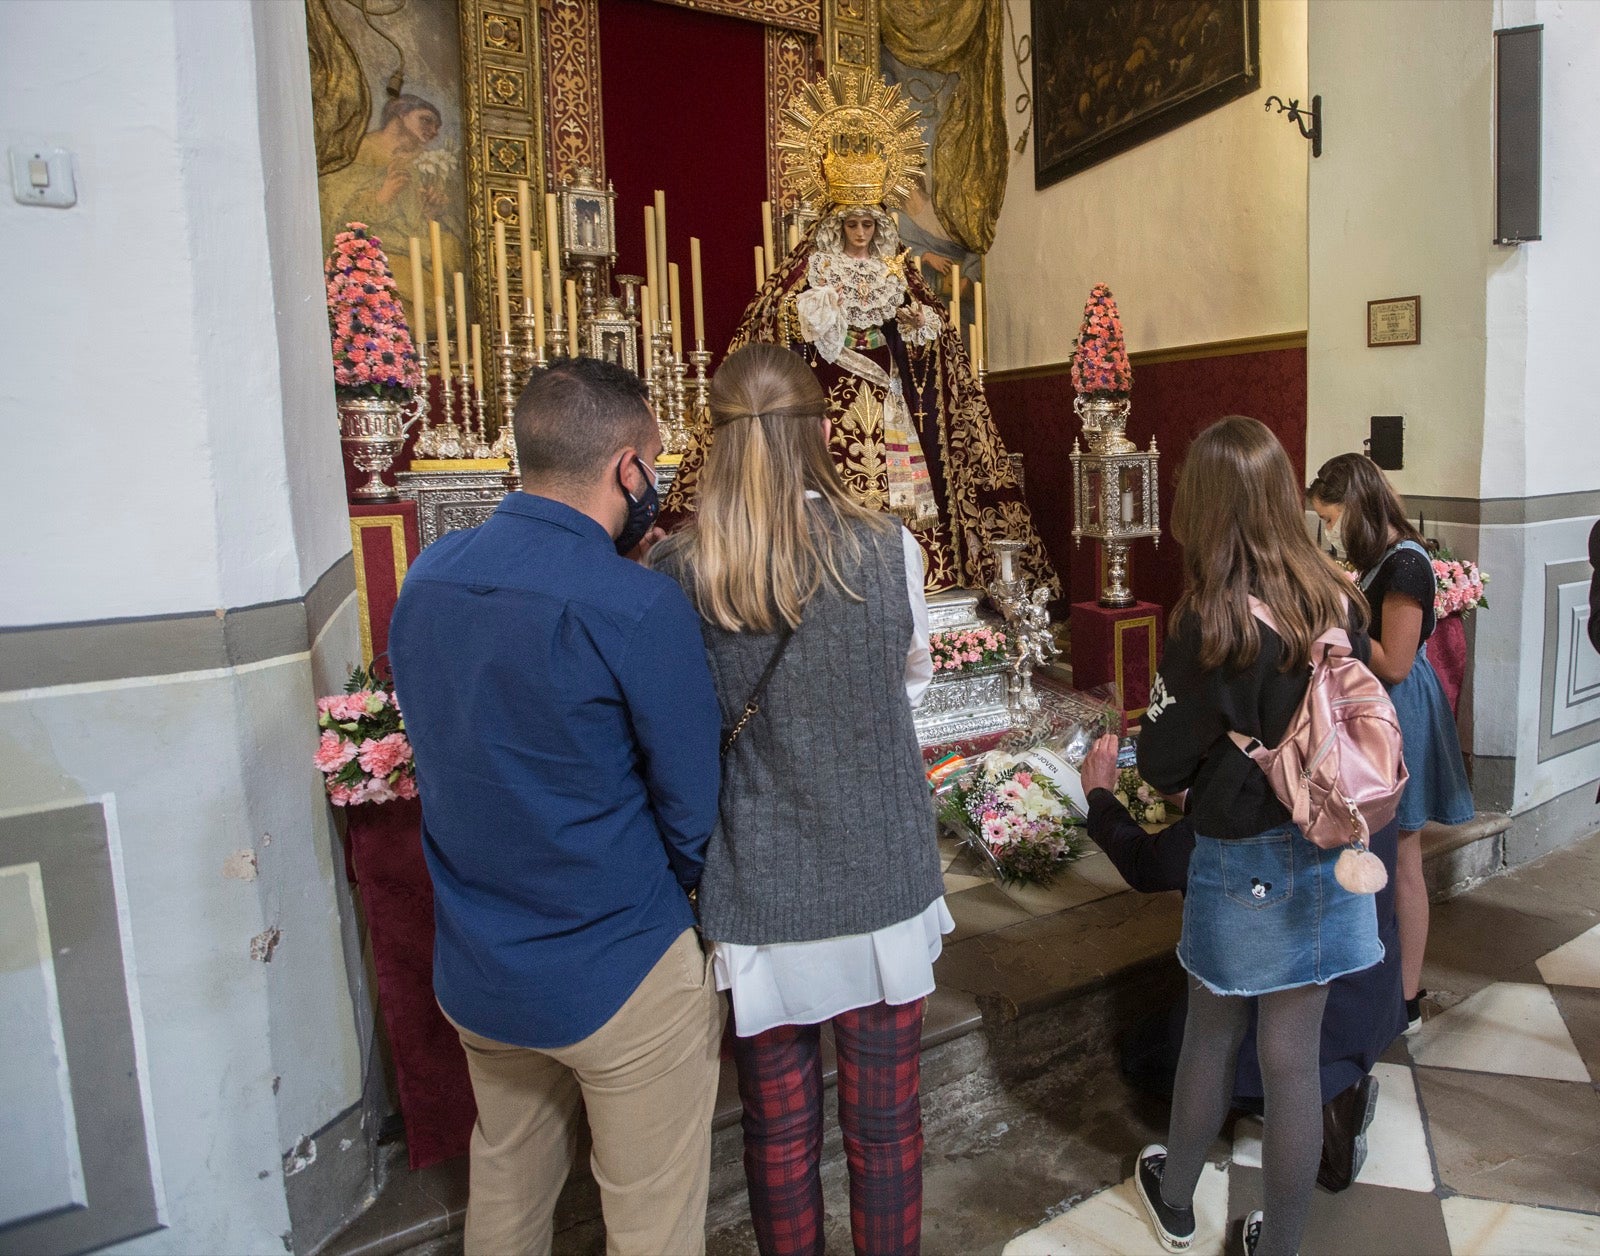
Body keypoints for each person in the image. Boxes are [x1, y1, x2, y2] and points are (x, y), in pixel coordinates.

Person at [387, 358, 725, 1256]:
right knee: (651, 1219)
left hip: (480, 961)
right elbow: (693, 807)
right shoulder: (634, 602)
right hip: (618, 962)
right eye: (654, 459)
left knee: (507, 1180)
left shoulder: (428, 577)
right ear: (627, 468)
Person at [651, 343, 949, 1256]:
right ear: (821, 431)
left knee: (779, 1139)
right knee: (887, 1129)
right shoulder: (887, 546)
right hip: (883, 879)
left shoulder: (680, 568)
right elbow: (913, 680)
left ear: (717, 442)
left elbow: (680, 728)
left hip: (762, 885)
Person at [1133, 417, 1384, 1256]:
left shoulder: (1212, 620)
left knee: (1213, 1029)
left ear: (1203, 508)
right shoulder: (1337, 593)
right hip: (1331, 844)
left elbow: (1161, 760)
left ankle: (1175, 1202)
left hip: (1242, 858)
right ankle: (1278, 1244)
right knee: (1292, 1057)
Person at [663, 69, 1056, 599]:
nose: (862, 234)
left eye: (869, 225)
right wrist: (812, 314)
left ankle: (919, 573)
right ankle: (826, 570)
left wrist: (921, 327)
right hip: (832, 406)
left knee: (905, 486)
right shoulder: (810, 270)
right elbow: (776, 325)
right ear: (837, 222)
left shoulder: (897, 271)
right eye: (852, 225)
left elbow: (928, 333)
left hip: (892, 401)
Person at [1078, 734, 1403, 1193]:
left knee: (1162, 1054)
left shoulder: (1243, 788)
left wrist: (1100, 797)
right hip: (1366, 1001)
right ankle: (1328, 1099)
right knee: (1283, 1055)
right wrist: (1196, 794)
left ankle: (1182, 1194)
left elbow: (1149, 865)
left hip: (1279, 1005)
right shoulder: (1361, 745)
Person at [1309, 454, 1474, 1030]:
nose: (1329, 531)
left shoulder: (1406, 565)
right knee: (1377, 851)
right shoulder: (1382, 556)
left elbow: (1397, 662)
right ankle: (1376, 983)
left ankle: (1405, 997)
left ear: (1356, 508)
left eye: (1331, 519)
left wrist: (1335, 622)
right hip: (1377, 708)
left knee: (1402, 857)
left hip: (1399, 712)